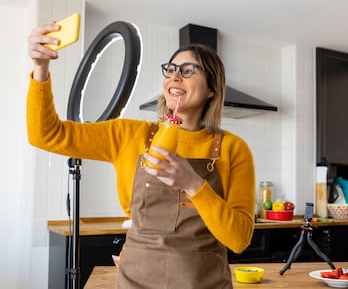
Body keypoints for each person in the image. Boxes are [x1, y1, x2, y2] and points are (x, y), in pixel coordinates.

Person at [27, 21, 256, 288]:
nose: (174, 76)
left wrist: (194, 185)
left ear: (212, 89)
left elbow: (239, 240)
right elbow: (45, 135)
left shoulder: (233, 149)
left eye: (188, 70)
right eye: (170, 70)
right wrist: (40, 69)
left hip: (204, 282)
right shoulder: (128, 134)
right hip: (137, 281)